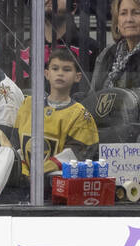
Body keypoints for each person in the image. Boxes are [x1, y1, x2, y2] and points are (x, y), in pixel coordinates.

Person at [14, 47, 99, 179]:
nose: (60, 73)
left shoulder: (80, 115)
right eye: (55, 68)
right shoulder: (28, 104)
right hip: (22, 179)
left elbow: (77, 154)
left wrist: (40, 172)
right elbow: (15, 144)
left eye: (67, 69)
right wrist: (24, 172)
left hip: (55, 182)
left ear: (78, 77)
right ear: (47, 74)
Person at [90, 0, 140, 92]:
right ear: (117, 22)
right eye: (123, 13)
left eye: (136, 13)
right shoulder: (107, 53)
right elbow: (93, 95)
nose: (129, 19)